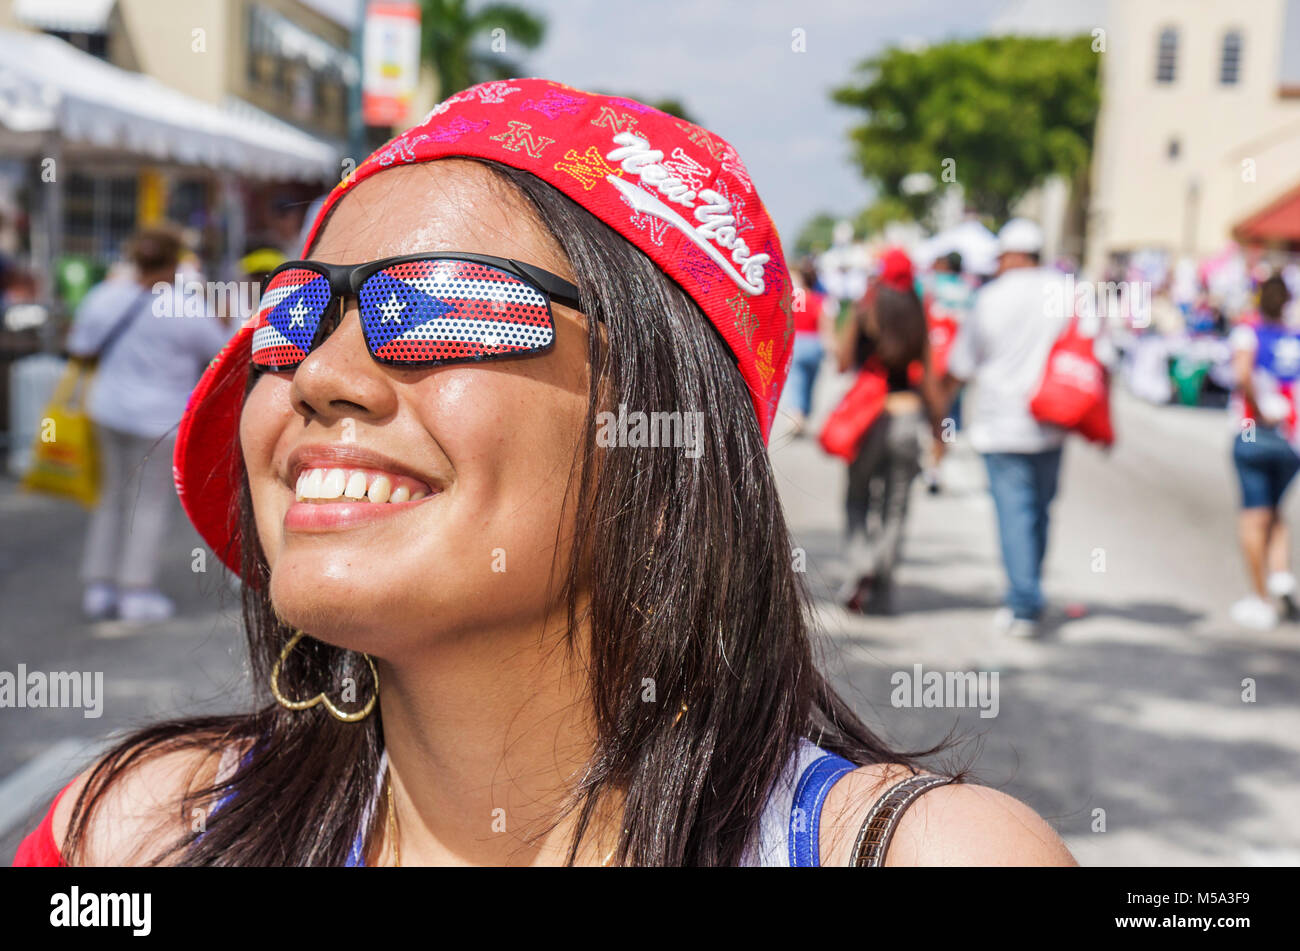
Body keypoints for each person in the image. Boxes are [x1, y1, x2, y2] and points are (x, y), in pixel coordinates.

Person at [15, 80, 1075, 867]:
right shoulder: (135, 835)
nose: (323, 374)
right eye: (293, 313)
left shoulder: (926, 857)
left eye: (441, 305)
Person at [65, 227, 229, 622]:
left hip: (108, 410)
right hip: (159, 421)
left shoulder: (105, 296)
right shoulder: (184, 306)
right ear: (175, 262)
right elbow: (220, 350)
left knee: (111, 499)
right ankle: (135, 590)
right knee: (148, 505)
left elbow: (79, 348)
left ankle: (100, 586)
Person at [939, 219, 1071, 637]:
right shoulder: (1067, 292)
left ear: (1013, 255)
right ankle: (1031, 587)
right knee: (1040, 510)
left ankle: (1024, 603)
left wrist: (939, 407)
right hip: (1053, 420)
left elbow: (961, 363)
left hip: (1002, 424)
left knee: (1014, 512)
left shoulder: (990, 298)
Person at [835, 248, 935, 615]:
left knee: (857, 497)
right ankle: (881, 572)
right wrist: (941, 432)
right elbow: (931, 379)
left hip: (869, 418)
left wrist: (855, 321)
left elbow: (843, 362)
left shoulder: (866, 312)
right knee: (895, 506)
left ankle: (860, 564)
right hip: (907, 416)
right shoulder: (918, 317)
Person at [1227, 274, 1300, 629]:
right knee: (1274, 511)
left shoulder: (1248, 332)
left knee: (1254, 517)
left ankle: (1261, 599)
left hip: (1255, 431)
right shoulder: (1294, 336)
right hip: (1291, 439)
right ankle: (1281, 575)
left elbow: (1243, 375)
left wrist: (1257, 408)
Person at [920, 250, 974, 493]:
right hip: (957, 363)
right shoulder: (970, 292)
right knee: (950, 415)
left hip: (930, 360)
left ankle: (931, 457)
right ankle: (939, 461)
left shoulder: (927, 284)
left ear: (942, 264)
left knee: (930, 412)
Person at [782, 261, 833, 436]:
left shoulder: (794, 298)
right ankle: (803, 414)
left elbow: (786, 321)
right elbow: (825, 323)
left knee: (796, 382)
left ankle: (797, 414)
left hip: (797, 341)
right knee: (811, 382)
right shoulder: (820, 300)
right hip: (815, 343)